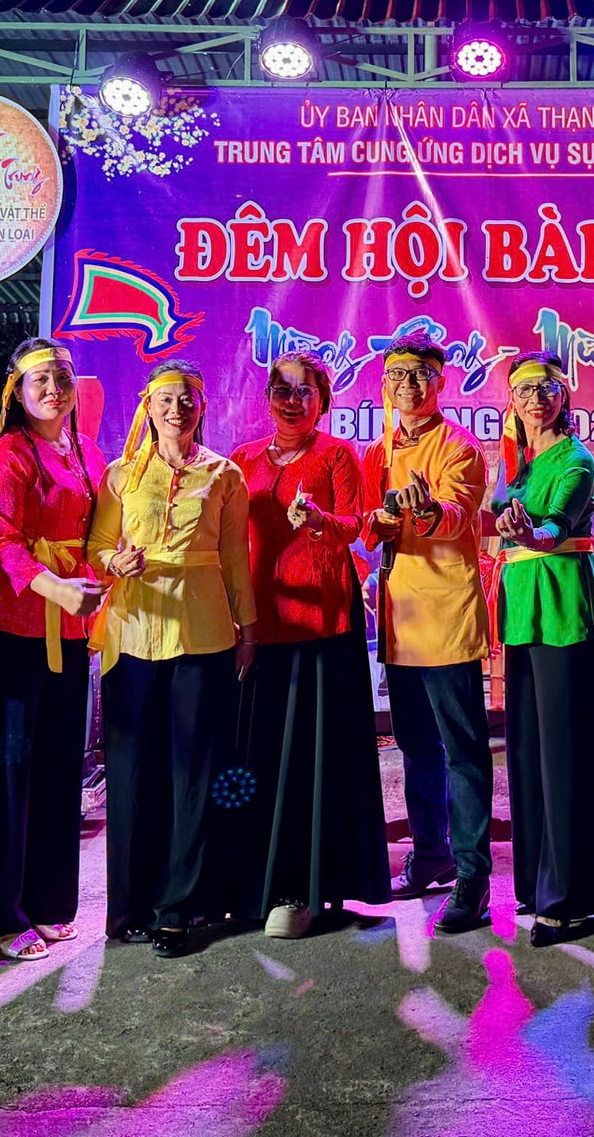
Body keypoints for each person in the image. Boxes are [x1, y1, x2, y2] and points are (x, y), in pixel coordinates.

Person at [90, 359, 256, 958]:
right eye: (165, 399)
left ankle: (179, 906)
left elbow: (235, 557)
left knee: (195, 773)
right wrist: (113, 563)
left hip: (205, 634)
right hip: (133, 631)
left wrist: (248, 628)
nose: (176, 409)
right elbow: (97, 545)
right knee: (132, 772)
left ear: (201, 407)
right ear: (148, 407)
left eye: (187, 399)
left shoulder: (225, 475)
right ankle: (130, 905)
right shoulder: (121, 474)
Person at [230, 353, 390, 939]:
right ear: (266, 397)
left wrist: (321, 519)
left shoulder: (337, 454)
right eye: (282, 389)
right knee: (259, 759)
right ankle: (251, 885)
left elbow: (356, 524)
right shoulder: (243, 459)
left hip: (322, 626)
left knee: (313, 761)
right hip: (259, 625)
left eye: (304, 391)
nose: (292, 400)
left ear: (323, 399)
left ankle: (308, 887)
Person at [0, 338, 108, 962]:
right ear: (17, 394)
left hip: (70, 632)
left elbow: (97, 535)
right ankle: (1, 914)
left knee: (58, 769)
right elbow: (4, 540)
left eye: (62, 378)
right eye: (39, 380)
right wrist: (58, 588)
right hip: (14, 632)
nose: (53, 389)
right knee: (6, 776)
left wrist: (102, 575)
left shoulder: (86, 452)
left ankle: (49, 902)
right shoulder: (8, 454)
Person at [360, 334, 495, 935]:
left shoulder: (459, 446)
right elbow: (369, 526)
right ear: (384, 384)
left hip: (446, 614)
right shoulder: (378, 449)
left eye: (420, 375)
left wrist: (426, 512)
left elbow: (459, 514)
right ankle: (432, 853)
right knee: (416, 747)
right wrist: (380, 521)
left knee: (463, 752)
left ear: (440, 382)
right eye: (397, 375)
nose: (408, 386)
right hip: (400, 618)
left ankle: (473, 875)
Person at [490, 352, 594, 947]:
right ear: (512, 400)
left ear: (563, 396)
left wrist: (530, 532)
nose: (535, 399)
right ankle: (537, 885)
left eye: (546, 389)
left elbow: (556, 525)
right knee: (529, 751)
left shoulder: (576, 459)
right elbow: (496, 513)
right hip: (523, 613)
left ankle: (569, 899)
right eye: (524, 390)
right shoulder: (515, 461)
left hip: (565, 607)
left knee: (566, 754)